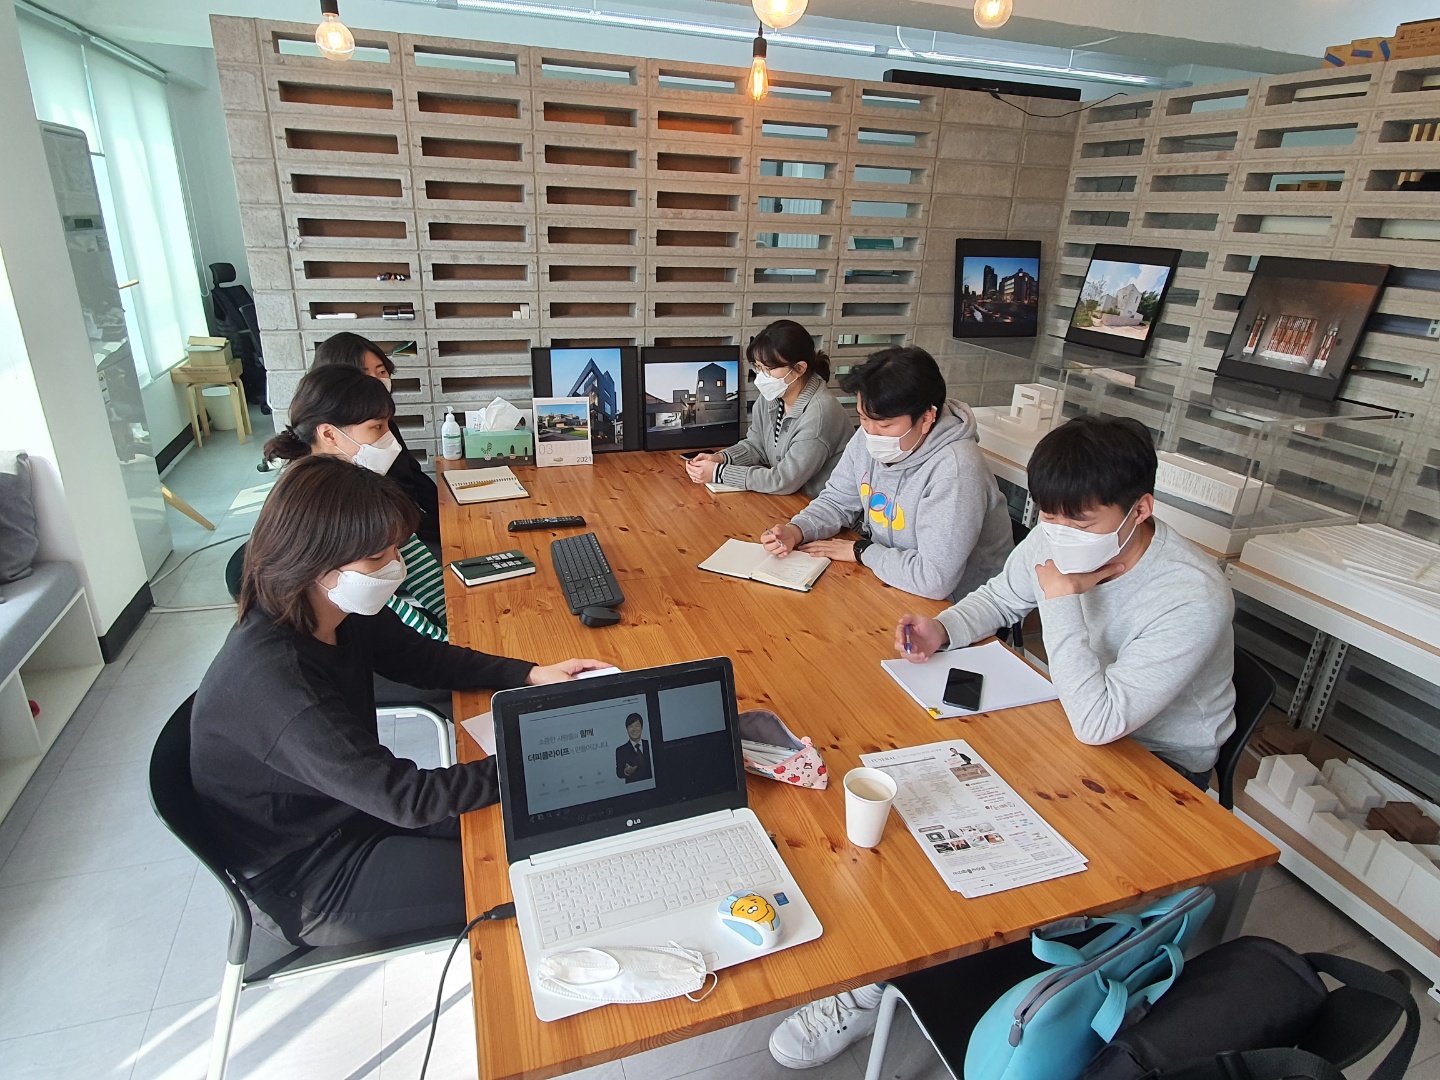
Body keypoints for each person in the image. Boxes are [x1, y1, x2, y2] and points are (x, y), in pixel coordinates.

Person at [765, 416, 1237, 1072]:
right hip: (1064, 720)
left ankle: (885, 977)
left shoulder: (1192, 595)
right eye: (1050, 518)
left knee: (970, 840)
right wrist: (944, 629)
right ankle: (885, 967)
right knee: (916, 796)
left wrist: (1061, 600)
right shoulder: (1061, 531)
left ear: (1141, 510)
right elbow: (1002, 596)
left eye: (1080, 523)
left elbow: (1100, 721)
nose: (1060, 534)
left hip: (1155, 764)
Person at [190, 454, 606, 946]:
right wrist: (544, 757)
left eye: (395, 549)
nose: (394, 567)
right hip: (312, 874)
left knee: (554, 831)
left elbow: (419, 658)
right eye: (376, 557)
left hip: (353, 809)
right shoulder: (278, 683)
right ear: (313, 562)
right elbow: (406, 798)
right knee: (534, 882)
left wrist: (528, 674)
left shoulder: (330, 606)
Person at [759, 346, 1012, 601]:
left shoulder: (956, 473)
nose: (871, 432)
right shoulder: (870, 434)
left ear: (926, 418)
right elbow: (836, 501)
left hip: (957, 605)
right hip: (889, 579)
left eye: (885, 425)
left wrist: (862, 551)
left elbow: (934, 579)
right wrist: (797, 530)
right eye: (863, 419)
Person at [266, 365, 448, 642]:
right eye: (377, 427)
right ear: (329, 434)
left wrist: (454, 614)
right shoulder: (318, 505)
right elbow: (383, 604)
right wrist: (446, 640)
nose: (390, 439)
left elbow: (415, 559)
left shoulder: (360, 483)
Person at [684, 320, 852, 497]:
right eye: (758, 367)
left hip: (817, 504)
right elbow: (757, 445)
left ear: (799, 368)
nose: (762, 377)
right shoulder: (773, 396)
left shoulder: (820, 414)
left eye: (769, 369)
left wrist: (719, 473)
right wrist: (721, 458)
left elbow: (785, 480)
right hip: (789, 500)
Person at [313, 331, 440, 546]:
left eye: (381, 372)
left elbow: (415, 479)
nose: (377, 382)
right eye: (363, 375)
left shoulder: (383, 427)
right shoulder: (328, 486)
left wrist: (447, 517)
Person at [613, 714, 653, 783]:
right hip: (634, 786)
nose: (634, 729)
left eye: (637, 725)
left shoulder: (649, 744)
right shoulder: (621, 750)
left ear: (642, 727)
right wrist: (626, 771)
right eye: (630, 726)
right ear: (627, 729)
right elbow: (619, 773)